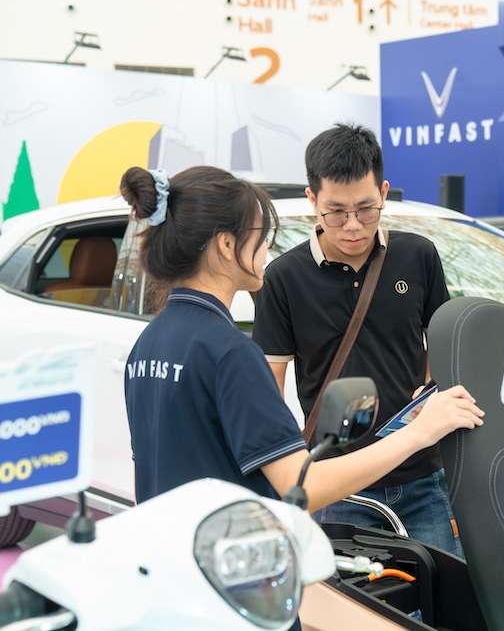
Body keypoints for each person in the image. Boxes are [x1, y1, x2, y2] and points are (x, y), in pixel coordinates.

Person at [122, 165, 484, 511]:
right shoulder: (230, 352)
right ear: (227, 245)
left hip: (173, 545)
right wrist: (420, 431)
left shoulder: (147, 344)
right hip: (230, 546)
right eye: (261, 235)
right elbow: (302, 487)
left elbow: (145, 478)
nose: (266, 249)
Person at [252, 125, 464, 555]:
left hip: (422, 474)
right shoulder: (284, 278)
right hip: (338, 484)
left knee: (442, 588)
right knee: (349, 596)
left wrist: (423, 394)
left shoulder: (417, 255)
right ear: (313, 200)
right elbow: (269, 383)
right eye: (336, 212)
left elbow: (439, 343)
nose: (352, 226)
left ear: (383, 193)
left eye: (366, 209)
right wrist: (289, 471)